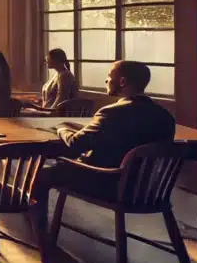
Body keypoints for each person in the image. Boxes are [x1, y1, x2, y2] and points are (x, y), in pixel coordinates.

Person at [31, 61, 175, 237]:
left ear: (122, 81)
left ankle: (39, 235)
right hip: (147, 189)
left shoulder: (111, 112)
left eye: (109, 76)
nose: (106, 80)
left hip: (107, 183)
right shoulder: (165, 117)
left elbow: (76, 144)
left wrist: (61, 129)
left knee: (41, 174)